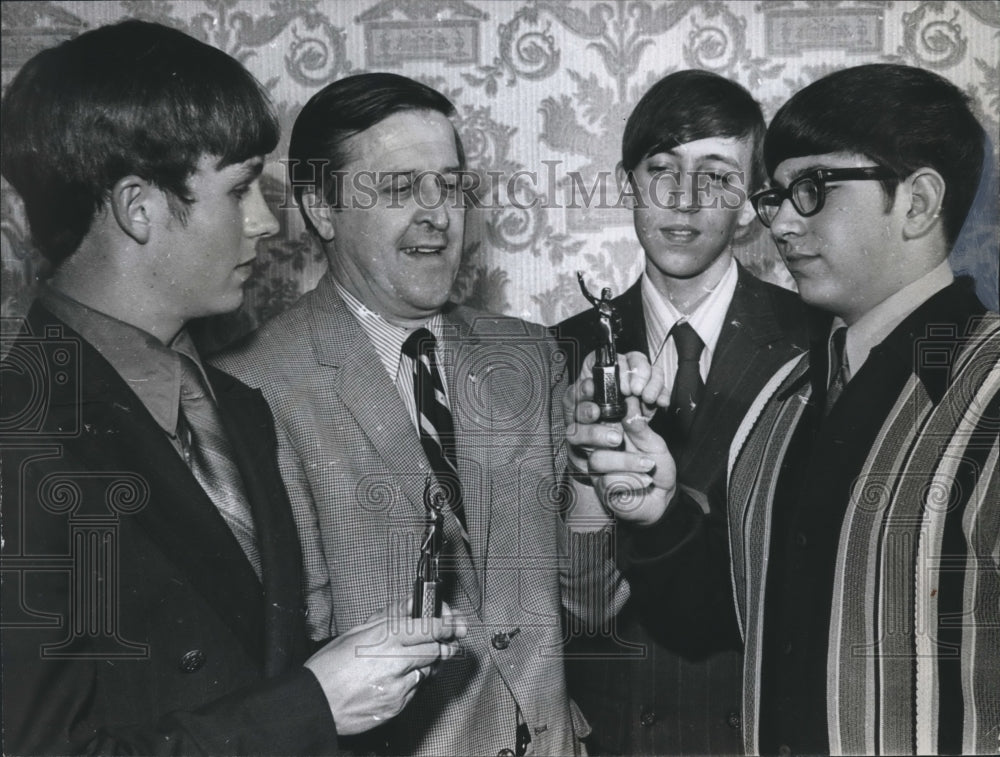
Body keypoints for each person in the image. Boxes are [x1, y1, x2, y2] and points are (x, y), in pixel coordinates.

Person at [0, 21, 465, 756]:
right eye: (242, 188)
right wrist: (312, 703)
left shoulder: (234, 407)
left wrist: (356, 673)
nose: (267, 221)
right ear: (138, 207)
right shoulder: (20, 437)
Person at [571, 63, 1000, 756]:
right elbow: (728, 616)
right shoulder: (786, 402)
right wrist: (657, 511)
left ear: (918, 202)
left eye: (813, 190)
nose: (782, 224)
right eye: (777, 196)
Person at [215, 72, 622, 756]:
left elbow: (589, 610)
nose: (439, 213)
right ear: (321, 207)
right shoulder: (249, 389)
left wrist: (590, 481)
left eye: (452, 184)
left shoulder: (531, 356)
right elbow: (277, 669)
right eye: (401, 188)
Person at [556, 69, 807, 756]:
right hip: (613, 731)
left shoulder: (817, 342)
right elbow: (569, 609)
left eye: (717, 177)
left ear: (755, 203)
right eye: (662, 169)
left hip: (758, 725)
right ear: (625, 184)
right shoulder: (557, 353)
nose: (686, 201)